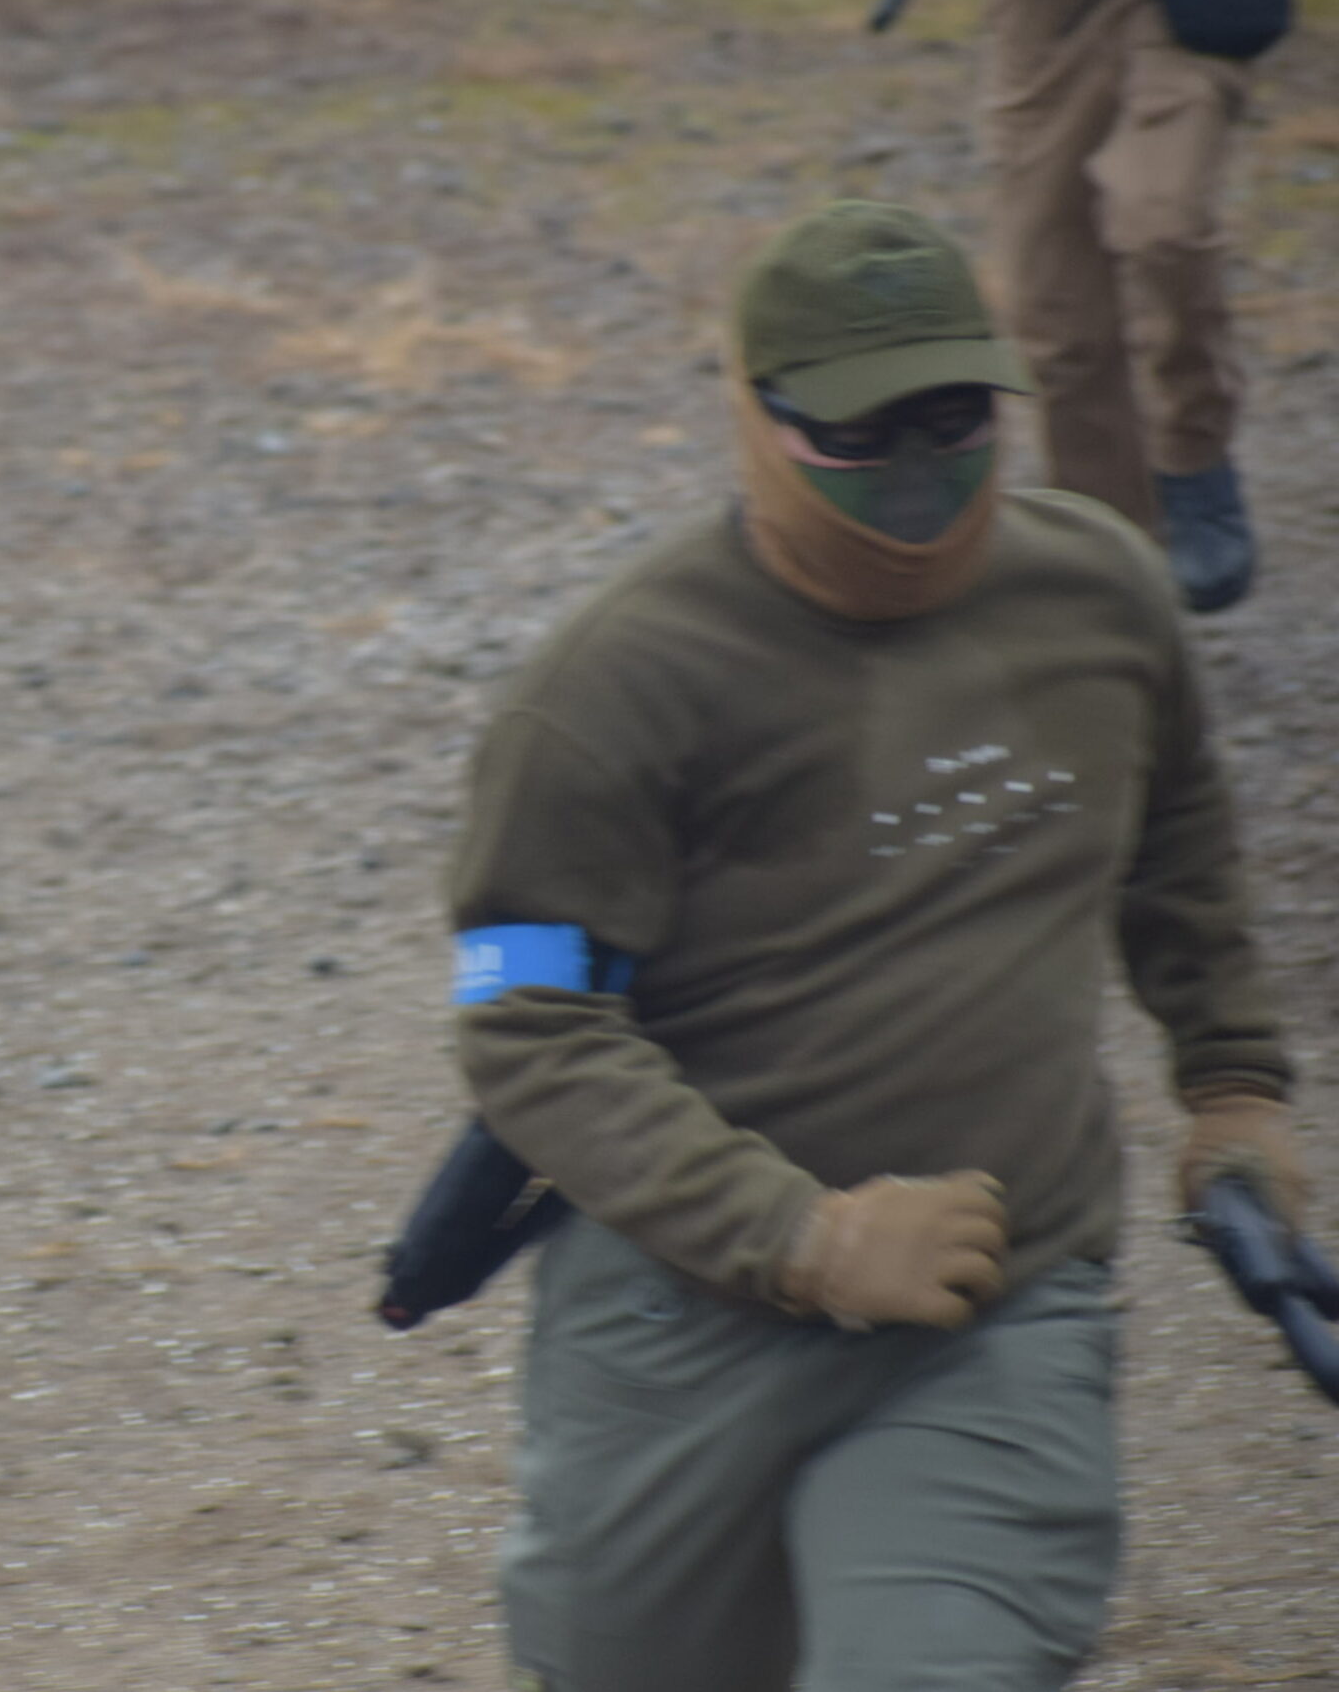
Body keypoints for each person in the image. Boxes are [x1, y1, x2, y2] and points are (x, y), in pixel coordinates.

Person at [442, 200, 1311, 1692]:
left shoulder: (1101, 593)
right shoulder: (612, 688)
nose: (918, 469)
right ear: (754, 415)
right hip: (681, 1310)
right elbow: (531, 1025)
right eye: (857, 431)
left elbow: (1177, 835)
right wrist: (802, 1237)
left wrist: (1233, 1083)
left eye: (953, 418)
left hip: (996, 1303)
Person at [983, 0, 1272, 612]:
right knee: (1057, 317)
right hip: (1047, 14)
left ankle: (1193, 450)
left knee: (1163, 223)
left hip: (1186, 1)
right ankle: (1109, 556)